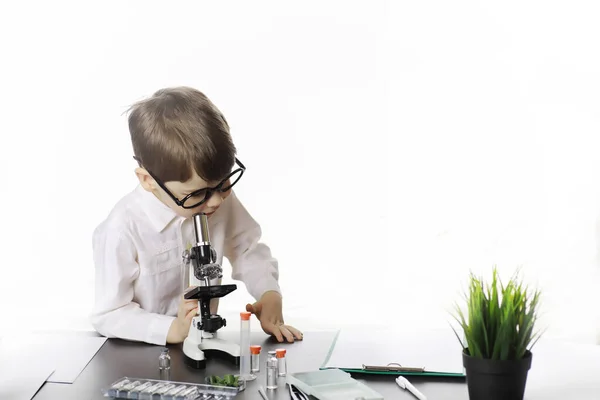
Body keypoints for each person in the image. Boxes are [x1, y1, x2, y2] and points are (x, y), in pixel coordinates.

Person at [90, 86, 302, 346]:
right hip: (145, 353)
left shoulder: (213, 196)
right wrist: (172, 329)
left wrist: (269, 293)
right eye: (197, 194)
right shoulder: (122, 229)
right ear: (148, 181)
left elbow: (246, 248)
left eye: (224, 185)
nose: (214, 201)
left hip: (204, 342)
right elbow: (109, 314)